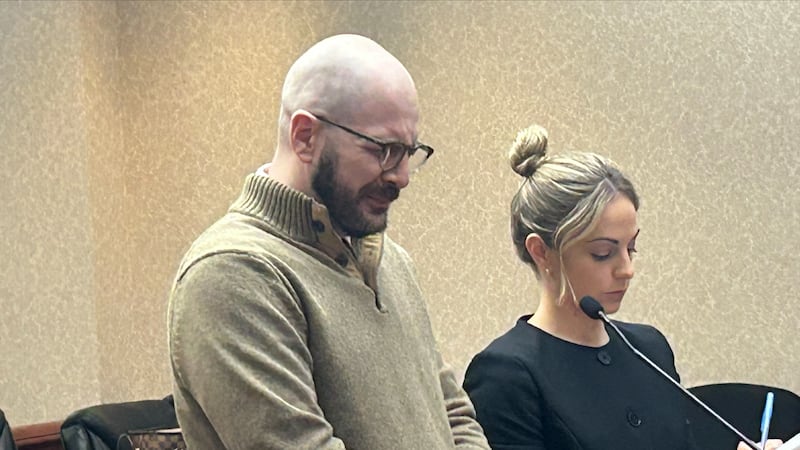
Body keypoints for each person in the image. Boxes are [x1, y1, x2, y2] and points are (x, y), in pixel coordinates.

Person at [167, 34, 489, 450]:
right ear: (305, 136)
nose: (402, 175)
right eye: (384, 150)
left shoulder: (391, 260)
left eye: (410, 151)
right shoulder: (230, 274)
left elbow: (455, 418)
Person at [462, 124, 782, 450]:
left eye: (631, 248)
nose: (627, 270)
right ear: (541, 251)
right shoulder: (505, 375)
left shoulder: (649, 348)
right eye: (603, 253)